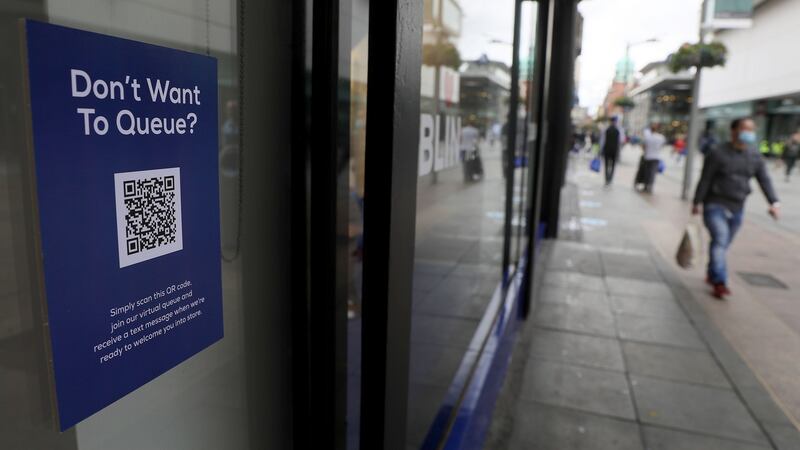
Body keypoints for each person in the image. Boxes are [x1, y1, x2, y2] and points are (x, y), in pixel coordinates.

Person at [692, 117, 780, 299]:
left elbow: (764, 180)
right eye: (745, 129)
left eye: (752, 129)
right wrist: (696, 202)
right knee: (721, 239)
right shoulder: (717, 153)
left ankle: (712, 272)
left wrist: (773, 203)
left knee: (722, 244)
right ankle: (720, 282)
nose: (749, 133)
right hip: (714, 204)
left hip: (737, 206)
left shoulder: (754, 155)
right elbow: (705, 179)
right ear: (734, 131)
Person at [636, 123, 666, 193]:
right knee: (652, 172)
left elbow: (643, 147)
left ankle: (646, 186)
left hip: (648, 157)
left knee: (647, 172)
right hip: (656, 157)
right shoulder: (661, 137)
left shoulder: (648, 137)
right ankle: (650, 186)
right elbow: (662, 146)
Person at [599, 116, 625, 186]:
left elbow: (602, 141)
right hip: (614, 150)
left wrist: (601, 150)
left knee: (607, 165)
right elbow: (621, 141)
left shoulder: (606, 129)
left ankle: (607, 179)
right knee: (611, 165)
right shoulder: (619, 130)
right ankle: (609, 179)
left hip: (608, 149)